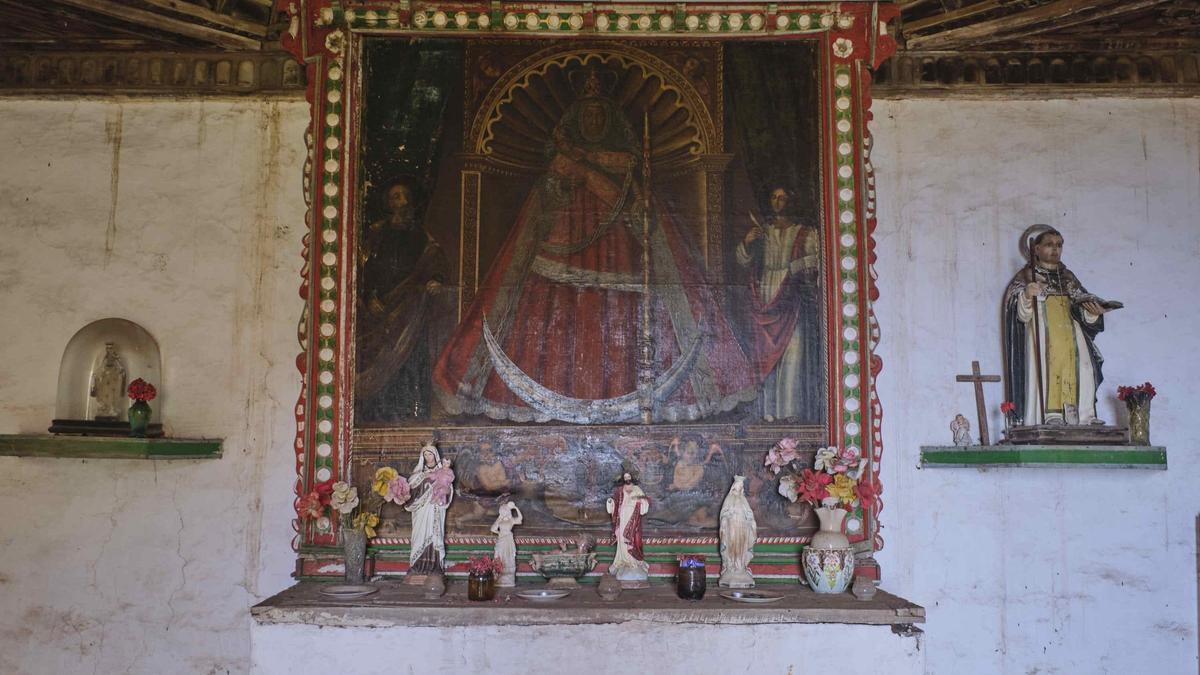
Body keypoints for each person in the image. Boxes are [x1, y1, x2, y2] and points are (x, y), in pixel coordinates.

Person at [433, 68, 756, 424]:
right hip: (563, 242)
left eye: (598, 114)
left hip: (620, 249)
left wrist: (607, 182)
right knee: (552, 312)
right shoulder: (565, 162)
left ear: (609, 121)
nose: (592, 119)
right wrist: (567, 182)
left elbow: (639, 208)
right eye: (587, 114)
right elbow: (549, 195)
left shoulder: (624, 165)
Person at [356, 179, 449, 423]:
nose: (402, 202)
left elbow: (435, 261)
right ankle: (375, 412)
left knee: (408, 358)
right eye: (396, 197)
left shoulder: (420, 236)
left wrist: (436, 279)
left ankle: (409, 412)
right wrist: (369, 297)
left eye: (405, 196)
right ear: (388, 203)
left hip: (409, 308)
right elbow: (362, 270)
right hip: (378, 309)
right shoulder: (376, 233)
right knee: (379, 356)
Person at [1003, 226, 1110, 426]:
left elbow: (1081, 303)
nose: (1055, 249)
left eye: (1059, 245)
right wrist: (1027, 295)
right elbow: (1017, 312)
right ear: (1035, 249)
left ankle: (1085, 415)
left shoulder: (1068, 277)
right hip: (1044, 337)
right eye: (1049, 245)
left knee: (1084, 370)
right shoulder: (1027, 276)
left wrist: (1092, 312)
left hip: (1073, 338)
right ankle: (1050, 415)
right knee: (1049, 368)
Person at [735, 187, 820, 422]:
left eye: (783, 197)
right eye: (773, 197)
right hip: (765, 298)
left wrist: (792, 268)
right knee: (766, 356)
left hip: (790, 298)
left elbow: (817, 260)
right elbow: (741, 260)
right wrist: (747, 241)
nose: (778, 201)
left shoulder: (804, 232)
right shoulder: (763, 233)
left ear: (791, 200)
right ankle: (769, 414)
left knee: (793, 354)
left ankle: (790, 413)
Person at [404, 443, 452, 580]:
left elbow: (449, 490)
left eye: (430, 454)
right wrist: (425, 482)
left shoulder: (443, 472)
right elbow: (411, 490)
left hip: (435, 509)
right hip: (421, 511)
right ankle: (417, 565)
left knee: (434, 534)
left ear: (435, 455)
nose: (427, 457)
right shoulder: (418, 473)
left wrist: (444, 491)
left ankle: (435, 566)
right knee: (419, 536)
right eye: (425, 454)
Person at [605, 471, 651, 585]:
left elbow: (645, 501)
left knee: (632, 538)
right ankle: (623, 561)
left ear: (632, 477)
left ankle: (632, 561)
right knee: (621, 537)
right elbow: (615, 503)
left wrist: (641, 501)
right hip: (622, 516)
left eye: (629, 476)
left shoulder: (637, 489)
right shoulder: (620, 490)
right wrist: (611, 502)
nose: (627, 478)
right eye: (625, 477)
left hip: (633, 517)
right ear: (623, 478)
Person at [718, 475, 757, 589]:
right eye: (738, 488)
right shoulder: (729, 499)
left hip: (743, 530)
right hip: (732, 530)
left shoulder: (743, 500)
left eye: (741, 488)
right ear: (734, 488)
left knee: (742, 548)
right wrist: (725, 519)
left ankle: (741, 567)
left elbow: (749, 514)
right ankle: (731, 567)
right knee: (732, 547)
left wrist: (751, 522)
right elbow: (724, 513)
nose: (739, 490)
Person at [89, 342, 126, 420]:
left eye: (110, 348)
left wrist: (120, 370)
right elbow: (101, 366)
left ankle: (112, 408)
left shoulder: (115, 356)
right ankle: (104, 408)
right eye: (108, 348)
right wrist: (97, 373)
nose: (109, 350)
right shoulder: (104, 357)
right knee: (104, 392)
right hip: (105, 376)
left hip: (113, 376)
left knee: (112, 393)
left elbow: (120, 365)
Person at [490, 501, 524, 587]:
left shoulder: (511, 520)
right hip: (502, 539)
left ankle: (508, 576)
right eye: (503, 510)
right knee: (499, 554)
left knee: (508, 556)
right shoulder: (500, 520)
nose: (504, 511)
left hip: (508, 539)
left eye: (505, 510)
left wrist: (515, 508)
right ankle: (498, 573)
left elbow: (520, 519)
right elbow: (493, 529)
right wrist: (500, 533)